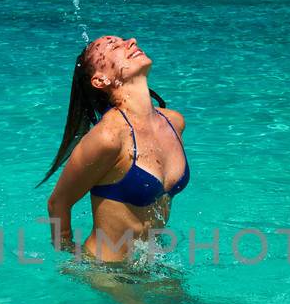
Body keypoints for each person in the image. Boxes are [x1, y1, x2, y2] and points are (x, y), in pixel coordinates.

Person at [38, 35, 189, 263]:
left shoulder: (174, 122)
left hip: (152, 261)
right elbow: (58, 203)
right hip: (106, 269)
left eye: (124, 40)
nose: (131, 41)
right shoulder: (108, 138)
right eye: (114, 46)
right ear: (100, 80)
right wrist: (70, 256)